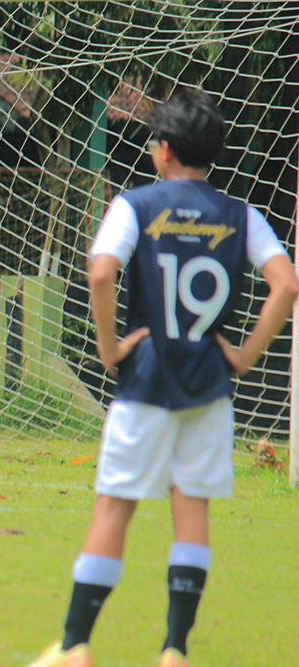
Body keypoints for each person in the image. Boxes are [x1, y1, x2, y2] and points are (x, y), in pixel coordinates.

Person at [28, 90, 298, 667]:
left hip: (145, 382)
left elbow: (102, 272)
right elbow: (288, 284)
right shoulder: (241, 215)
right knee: (192, 509)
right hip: (210, 384)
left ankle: (75, 646)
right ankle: (174, 650)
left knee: (114, 509)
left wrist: (108, 348)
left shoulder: (136, 204)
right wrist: (245, 354)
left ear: (164, 150)